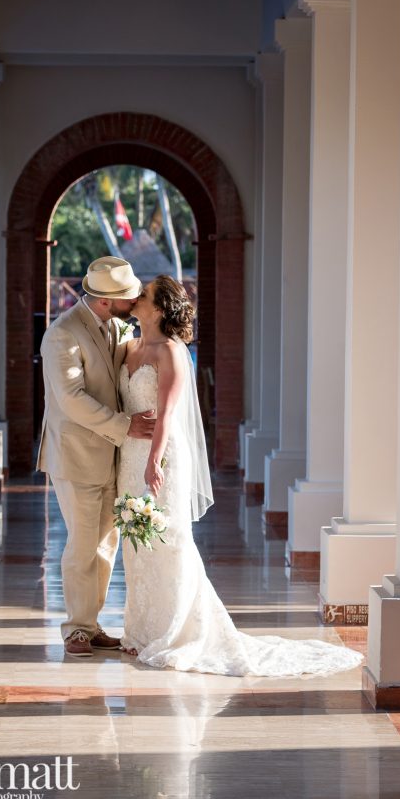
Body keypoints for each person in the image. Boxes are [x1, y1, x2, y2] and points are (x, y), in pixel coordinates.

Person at [118, 275, 364, 677]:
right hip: (129, 456)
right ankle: (141, 631)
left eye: (143, 295)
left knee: (170, 540)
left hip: (161, 458)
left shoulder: (171, 352)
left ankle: (178, 632)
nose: (136, 298)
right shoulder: (129, 347)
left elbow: (167, 414)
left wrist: (154, 461)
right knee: (136, 543)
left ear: (159, 309)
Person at [37, 256, 156, 657]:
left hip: (112, 457)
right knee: (83, 544)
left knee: (106, 543)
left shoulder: (117, 326)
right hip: (76, 455)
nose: (134, 300)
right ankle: (75, 629)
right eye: (127, 297)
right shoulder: (62, 335)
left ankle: (90, 624)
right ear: (106, 301)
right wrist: (125, 426)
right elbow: (71, 400)